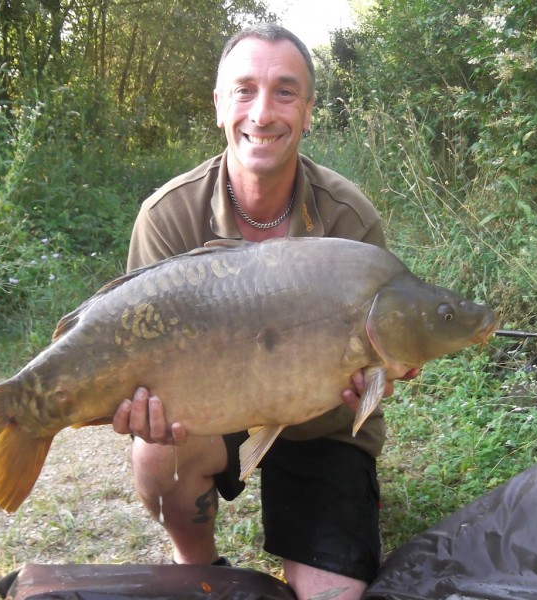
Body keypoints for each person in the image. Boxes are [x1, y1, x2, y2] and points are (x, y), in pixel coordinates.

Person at [112, 23, 417, 600]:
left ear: (307, 110)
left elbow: (383, 351)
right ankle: (197, 562)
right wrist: (137, 405)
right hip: (210, 416)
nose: (263, 111)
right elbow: (136, 352)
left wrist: (380, 371)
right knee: (155, 452)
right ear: (219, 105)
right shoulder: (168, 217)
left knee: (335, 596)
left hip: (320, 427)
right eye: (244, 89)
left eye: (284, 91)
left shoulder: (349, 217)